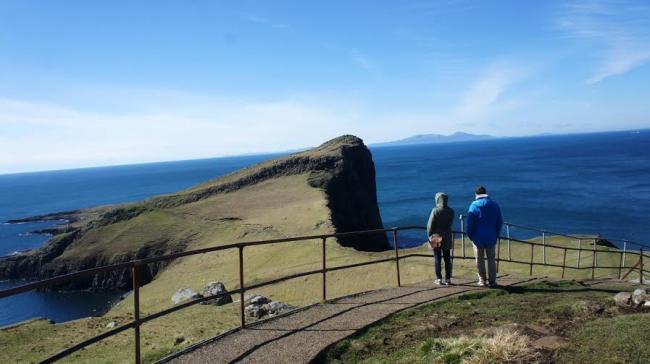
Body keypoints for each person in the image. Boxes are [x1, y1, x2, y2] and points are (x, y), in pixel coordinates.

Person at [466, 186, 503, 287]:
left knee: (479, 259)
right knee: (491, 259)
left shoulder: (473, 206)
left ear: (476, 195)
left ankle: (482, 280)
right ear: (486, 193)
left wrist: (470, 236)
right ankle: (492, 281)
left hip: (477, 237)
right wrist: (496, 234)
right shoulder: (494, 205)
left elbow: (470, 224)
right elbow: (499, 222)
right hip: (491, 235)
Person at [427, 192, 455, 285]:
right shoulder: (451, 211)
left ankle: (439, 278)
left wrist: (429, 235)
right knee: (447, 258)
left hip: (436, 236)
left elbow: (430, 225)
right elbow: (450, 223)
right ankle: (448, 279)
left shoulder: (435, 210)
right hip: (447, 235)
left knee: (437, 258)